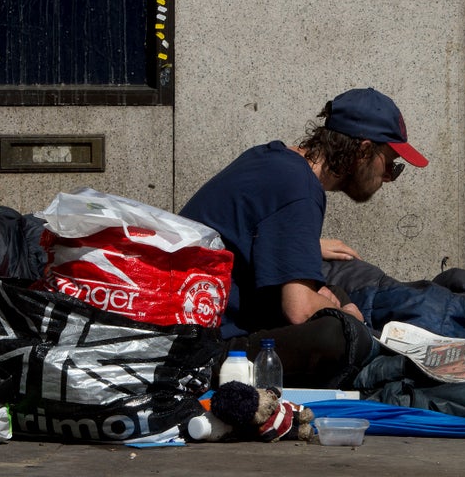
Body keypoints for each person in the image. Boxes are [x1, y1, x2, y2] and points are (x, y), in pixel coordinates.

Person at [180, 88, 429, 389]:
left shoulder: (271, 157)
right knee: (341, 335)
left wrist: (315, 262)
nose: (388, 176)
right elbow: (298, 310)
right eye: (389, 164)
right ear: (363, 151)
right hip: (203, 348)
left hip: (194, 324)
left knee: (333, 291)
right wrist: (346, 315)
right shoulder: (300, 190)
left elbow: (249, 235)